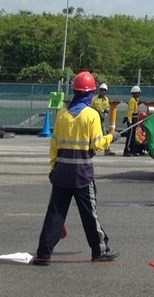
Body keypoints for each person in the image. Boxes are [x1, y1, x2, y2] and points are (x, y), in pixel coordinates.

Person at [32, 71, 119, 266]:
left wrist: (53, 168)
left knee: (55, 213)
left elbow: (54, 144)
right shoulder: (91, 115)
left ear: (75, 91)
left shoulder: (62, 114)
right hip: (82, 174)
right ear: (90, 93)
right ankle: (99, 250)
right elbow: (96, 144)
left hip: (61, 171)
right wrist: (112, 138)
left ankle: (43, 254)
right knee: (90, 214)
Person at [90, 83, 114, 156]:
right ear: (99, 91)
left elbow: (107, 109)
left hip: (102, 119)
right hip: (94, 118)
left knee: (104, 133)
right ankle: (92, 150)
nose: (103, 92)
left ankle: (107, 149)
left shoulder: (106, 99)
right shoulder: (94, 98)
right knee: (92, 134)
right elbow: (91, 107)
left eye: (104, 90)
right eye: (101, 90)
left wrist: (104, 114)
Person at [123, 86, 142, 156]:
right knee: (130, 136)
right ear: (134, 93)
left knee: (134, 136)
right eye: (138, 92)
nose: (139, 94)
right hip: (132, 120)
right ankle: (127, 151)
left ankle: (132, 150)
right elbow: (130, 112)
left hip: (135, 120)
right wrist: (129, 121)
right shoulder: (132, 100)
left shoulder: (136, 100)